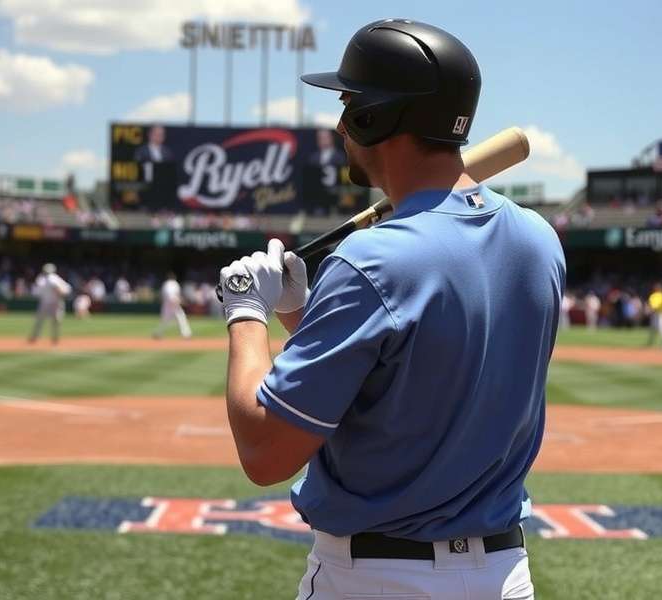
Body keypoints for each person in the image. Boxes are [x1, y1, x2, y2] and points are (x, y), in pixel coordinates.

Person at [217, 19, 565, 600]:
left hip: (377, 579)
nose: (341, 122)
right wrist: (301, 310)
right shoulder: (538, 240)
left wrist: (246, 314)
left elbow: (265, 451)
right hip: (504, 578)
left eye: (349, 103)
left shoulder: (371, 261)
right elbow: (401, 376)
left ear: (374, 117)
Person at [27, 263, 72, 344]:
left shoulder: (51, 278)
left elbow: (60, 288)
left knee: (43, 320)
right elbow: (65, 289)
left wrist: (60, 293)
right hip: (52, 302)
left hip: (51, 302)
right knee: (53, 321)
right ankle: (53, 338)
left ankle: (37, 337)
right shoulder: (49, 278)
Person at [153, 272, 192, 339]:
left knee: (166, 320)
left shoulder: (166, 284)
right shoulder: (173, 284)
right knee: (181, 317)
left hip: (167, 303)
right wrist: (177, 301)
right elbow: (171, 295)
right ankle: (186, 334)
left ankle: (158, 333)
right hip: (173, 303)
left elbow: (164, 294)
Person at [647, 282, 662, 348]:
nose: (658, 288)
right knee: (653, 329)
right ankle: (651, 343)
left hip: (661, 314)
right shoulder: (653, 296)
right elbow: (651, 305)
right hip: (655, 314)